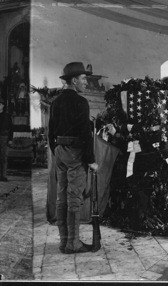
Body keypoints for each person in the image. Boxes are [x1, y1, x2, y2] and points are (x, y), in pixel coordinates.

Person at [48, 62, 98, 254]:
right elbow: (86, 134)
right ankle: (73, 243)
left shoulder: (56, 102)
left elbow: (51, 131)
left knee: (62, 198)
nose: (86, 82)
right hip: (76, 153)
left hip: (60, 151)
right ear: (74, 80)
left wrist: (57, 150)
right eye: (84, 79)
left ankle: (64, 242)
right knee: (74, 199)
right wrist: (91, 160)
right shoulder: (81, 102)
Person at [0, 98, 12, 181]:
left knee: (4, 158)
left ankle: (3, 176)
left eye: (0, 104)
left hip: (4, 137)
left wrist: (10, 139)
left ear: (3, 105)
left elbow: (11, 128)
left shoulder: (7, 115)